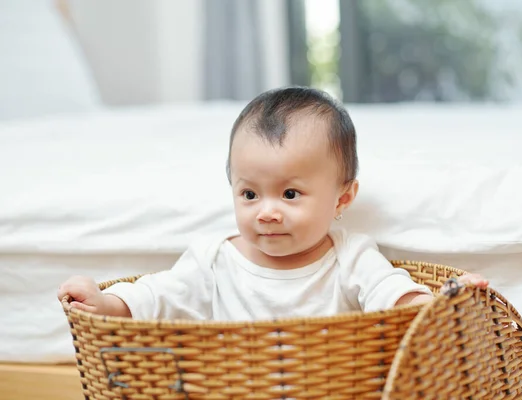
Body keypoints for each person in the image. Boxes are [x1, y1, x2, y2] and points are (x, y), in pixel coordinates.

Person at [57, 87, 488, 320]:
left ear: (343, 197)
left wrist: (442, 305)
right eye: (249, 194)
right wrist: (107, 302)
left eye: (290, 194)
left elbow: (391, 295)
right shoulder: (214, 260)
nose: (266, 211)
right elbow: (160, 295)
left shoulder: (350, 256)